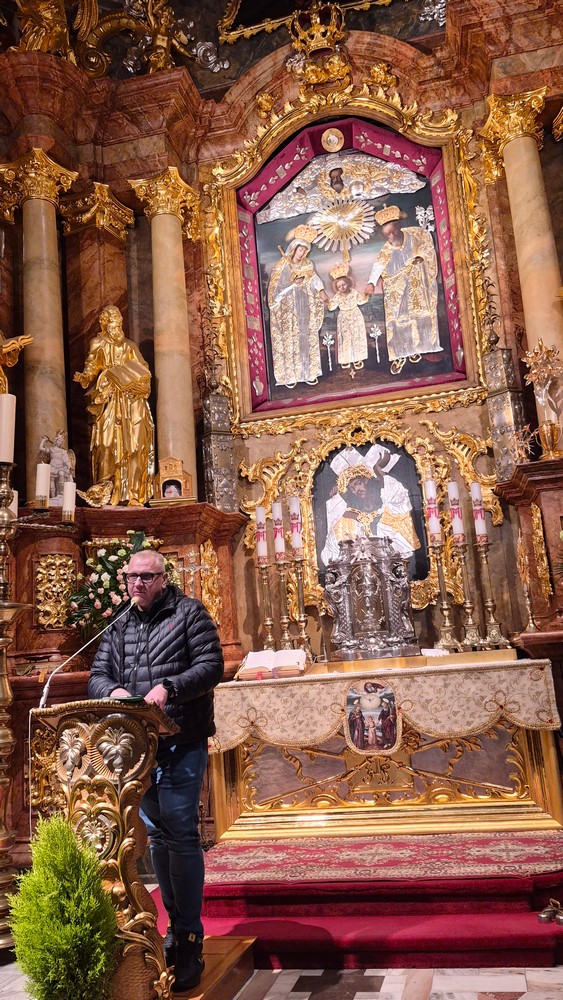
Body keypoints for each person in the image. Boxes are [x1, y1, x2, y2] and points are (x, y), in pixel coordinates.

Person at [88, 548, 224, 993]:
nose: (137, 584)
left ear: (164, 579)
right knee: (159, 836)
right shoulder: (119, 623)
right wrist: (115, 691)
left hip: (182, 738)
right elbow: (97, 674)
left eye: (147, 577)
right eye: (132, 577)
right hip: (139, 747)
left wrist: (169, 687)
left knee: (180, 830)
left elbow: (211, 666)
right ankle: (172, 930)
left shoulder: (189, 613)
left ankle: (190, 938)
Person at [74, 304, 154, 506]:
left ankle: (133, 494)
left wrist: (138, 381)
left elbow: (143, 369)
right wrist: (85, 377)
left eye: (119, 321)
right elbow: (91, 365)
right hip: (108, 396)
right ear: (104, 323)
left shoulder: (130, 346)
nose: (117, 325)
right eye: (113, 321)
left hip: (131, 399)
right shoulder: (98, 343)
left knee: (135, 445)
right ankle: (106, 490)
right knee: (106, 444)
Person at [364, 204, 442, 375]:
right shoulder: (386, 249)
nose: (391, 237)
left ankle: (420, 348)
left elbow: (427, 246)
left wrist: (421, 256)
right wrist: (371, 283)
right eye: (387, 235)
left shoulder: (415, 234)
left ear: (398, 227)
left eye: (393, 232)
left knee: (420, 316)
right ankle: (401, 353)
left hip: (417, 285)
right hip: (397, 290)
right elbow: (378, 267)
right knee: (399, 321)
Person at [267, 225, 327, 387]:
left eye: (305, 251)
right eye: (300, 250)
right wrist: (291, 284)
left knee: (305, 337)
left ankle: (308, 372)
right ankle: (290, 376)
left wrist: (321, 291)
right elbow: (275, 290)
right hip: (288, 309)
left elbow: (314, 279)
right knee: (291, 339)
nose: (302, 254)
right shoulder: (282, 265)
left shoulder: (308, 265)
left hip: (304, 305)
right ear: (294, 248)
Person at [326, 265, 369, 370]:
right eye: (339, 286)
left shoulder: (354, 293)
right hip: (344, 318)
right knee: (345, 339)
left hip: (355, 316)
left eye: (343, 285)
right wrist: (327, 302)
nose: (342, 287)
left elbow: (361, 300)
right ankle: (346, 359)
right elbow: (331, 307)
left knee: (357, 337)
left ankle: (358, 358)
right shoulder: (337, 296)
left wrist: (366, 294)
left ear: (348, 283)